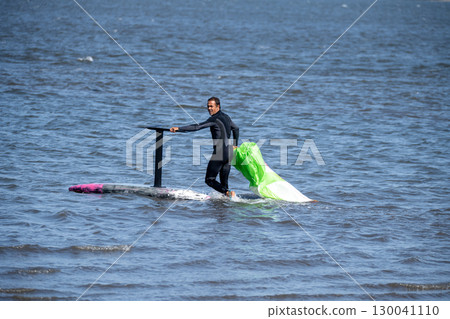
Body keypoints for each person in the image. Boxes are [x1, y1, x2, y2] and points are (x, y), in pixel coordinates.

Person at [170, 97, 239, 197]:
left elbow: (197, 127)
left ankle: (227, 193)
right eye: (208, 106)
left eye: (211, 106)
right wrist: (235, 144)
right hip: (229, 152)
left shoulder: (214, 119)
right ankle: (225, 205)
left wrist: (179, 129)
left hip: (220, 152)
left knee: (209, 180)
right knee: (224, 183)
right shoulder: (227, 117)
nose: (209, 108)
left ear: (218, 106)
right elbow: (236, 128)